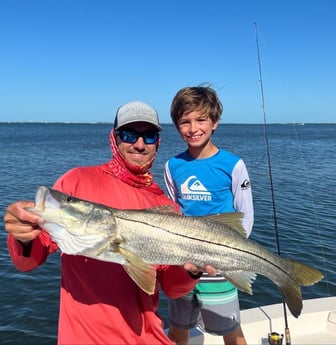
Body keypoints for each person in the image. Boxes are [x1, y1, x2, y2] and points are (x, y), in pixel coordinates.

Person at [4, 100, 216, 345]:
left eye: (148, 136)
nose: (139, 144)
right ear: (114, 138)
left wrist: (191, 270)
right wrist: (22, 234)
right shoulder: (76, 182)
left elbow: (173, 288)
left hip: (149, 339)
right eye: (129, 134)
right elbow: (29, 260)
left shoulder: (167, 208)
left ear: (157, 143)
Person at [164, 86, 254, 345]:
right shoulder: (172, 165)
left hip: (221, 265)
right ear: (177, 126)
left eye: (201, 119)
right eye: (185, 121)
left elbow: (245, 218)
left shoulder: (233, 165)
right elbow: (172, 214)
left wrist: (227, 255)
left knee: (231, 329)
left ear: (215, 122)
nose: (193, 128)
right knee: (178, 327)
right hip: (182, 263)